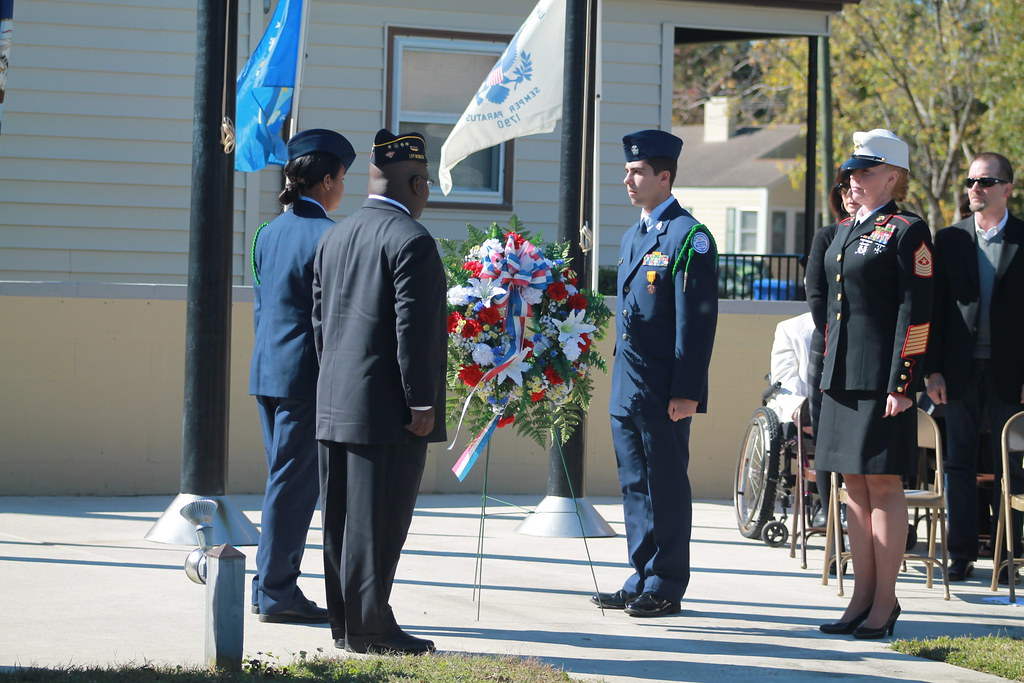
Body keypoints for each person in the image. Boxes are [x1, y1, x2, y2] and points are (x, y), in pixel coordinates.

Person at [313, 128, 446, 654]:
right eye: (426, 183)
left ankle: (347, 625)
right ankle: (372, 629)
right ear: (415, 183)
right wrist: (421, 401)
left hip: (334, 403)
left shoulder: (335, 235)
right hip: (389, 411)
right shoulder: (411, 240)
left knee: (340, 525)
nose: (428, 193)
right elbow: (412, 329)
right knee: (379, 523)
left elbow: (320, 325)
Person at [592, 129, 718, 618]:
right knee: (633, 486)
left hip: (666, 390)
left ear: (665, 177)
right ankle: (641, 574)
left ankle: (666, 582)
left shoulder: (690, 237)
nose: (628, 178)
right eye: (627, 170)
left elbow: (697, 321)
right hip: (629, 387)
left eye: (638, 171)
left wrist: (687, 391)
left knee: (665, 484)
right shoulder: (634, 235)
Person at [816, 129, 933, 639]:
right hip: (842, 377)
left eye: (865, 172)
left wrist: (904, 382)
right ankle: (860, 598)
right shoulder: (846, 229)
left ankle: (885, 603)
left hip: (883, 381)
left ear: (893, 176)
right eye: (851, 173)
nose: (853, 180)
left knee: (883, 486)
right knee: (852, 487)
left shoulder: (908, 230)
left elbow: (918, 311)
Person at [249, 128, 356, 624]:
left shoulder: (267, 232)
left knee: (282, 483)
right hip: (305, 380)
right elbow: (330, 320)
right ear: (329, 180)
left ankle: (268, 587)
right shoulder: (331, 235)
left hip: (267, 372)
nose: (343, 188)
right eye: (342, 179)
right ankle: (275, 592)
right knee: (293, 491)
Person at [925, 152, 1024, 585]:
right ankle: (961, 554)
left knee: (1013, 466)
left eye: (985, 182)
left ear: (1007, 188)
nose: (975, 189)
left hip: (1011, 374)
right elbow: (934, 309)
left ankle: (1012, 556)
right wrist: (933, 372)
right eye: (970, 181)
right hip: (958, 371)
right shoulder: (950, 240)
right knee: (958, 465)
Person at [806, 173, 862, 529]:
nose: (848, 194)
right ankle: (827, 508)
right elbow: (816, 294)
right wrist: (835, 336)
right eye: (842, 188)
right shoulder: (828, 235)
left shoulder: (891, 230)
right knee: (824, 429)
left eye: (853, 186)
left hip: (865, 352)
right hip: (827, 343)